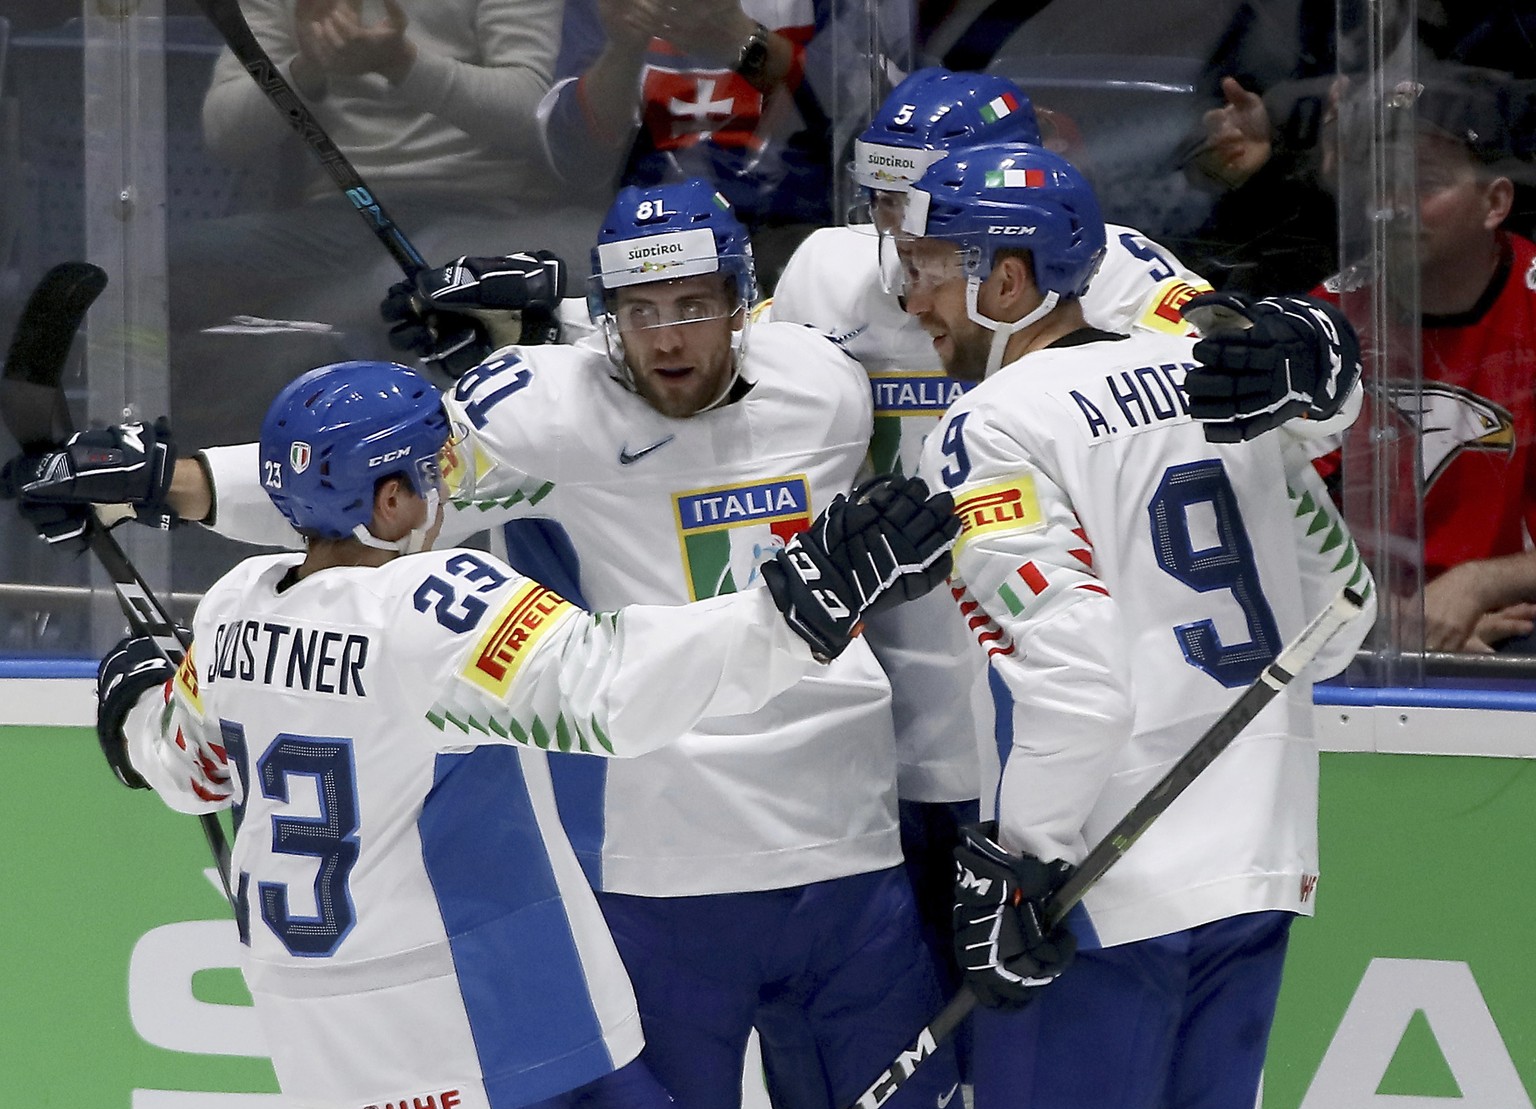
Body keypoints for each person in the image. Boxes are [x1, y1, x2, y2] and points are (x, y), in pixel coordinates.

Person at [17, 180, 968, 1109]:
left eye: (693, 306)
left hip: (836, 842)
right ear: (605, 321)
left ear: (741, 301)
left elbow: (209, 725)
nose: (670, 339)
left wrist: (139, 679)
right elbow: (601, 677)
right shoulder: (488, 519)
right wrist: (171, 483)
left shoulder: (230, 608)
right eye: (637, 313)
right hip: (631, 889)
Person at [759, 66, 1358, 1019]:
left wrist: (1319, 373)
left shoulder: (1112, 267)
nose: (896, 231)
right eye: (880, 197)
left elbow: (1248, 382)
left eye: (917, 197)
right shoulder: (829, 271)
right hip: (889, 730)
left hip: (1045, 714)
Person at [893, 141, 1376, 1109]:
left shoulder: (991, 423)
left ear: (1007, 279)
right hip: (1264, 854)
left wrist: (1022, 864)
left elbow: (1077, 688)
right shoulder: (1212, 373)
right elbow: (1345, 608)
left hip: (1108, 883)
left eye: (929, 268)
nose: (912, 299)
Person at [171, 0, 598, 447]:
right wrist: (303, 71)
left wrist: (402, 63)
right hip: (336, 215)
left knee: (381, 298)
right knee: (154, 269)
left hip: (485, 206)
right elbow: (224, 132)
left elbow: (537, 115)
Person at [1313, 65, 1536, 653]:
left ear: (1495, 202)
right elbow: (1270, 527)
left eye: (1424, 181)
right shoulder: (1320, 326)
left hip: (1518, 616)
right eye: (1381, 179)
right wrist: (1398, 619)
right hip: (1357, 623)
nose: (1393, 205)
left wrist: (1473, 587)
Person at [535, 0, 913, 287]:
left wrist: (745, 43)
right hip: (647, 233)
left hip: (796, 232)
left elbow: (886, 126)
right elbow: (574, 161)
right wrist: (622, 51)